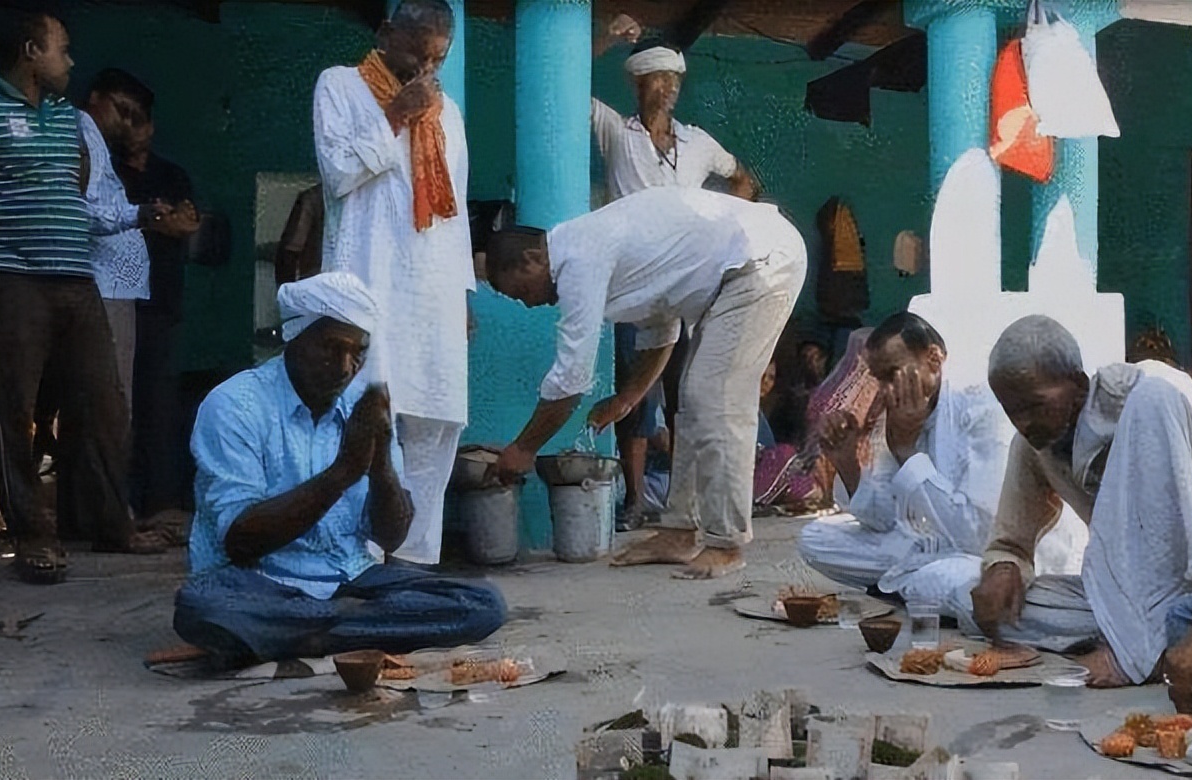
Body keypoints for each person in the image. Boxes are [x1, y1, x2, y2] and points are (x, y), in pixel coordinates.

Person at [0, 12, 165, 583]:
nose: (71, 61)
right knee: (11, 410)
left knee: (105, 405)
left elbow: (72, 187)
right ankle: (32, 535)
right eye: (62, 49)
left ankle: (113, 525)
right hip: (9, 280)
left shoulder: (64, 116)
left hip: (75, 280)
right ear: (31, 51)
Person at [173, 273, 506, 665]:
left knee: (482, 603)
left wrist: (380, 462)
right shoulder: (234, 406)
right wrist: (344, 472)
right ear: (294, 338)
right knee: (203, 606)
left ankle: (306, 634)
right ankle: (351, 628)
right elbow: (240, 542)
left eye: (357, 353)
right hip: (259, 582)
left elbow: (391, 537)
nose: (345, 367)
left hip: (349, 580)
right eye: (331, 348)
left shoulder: (361, 403)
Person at [483, 187, 807, 579]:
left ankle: (726, 544)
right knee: (693, 400)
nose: (529, 303)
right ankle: (679, 532)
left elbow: (571, 378)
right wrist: (628, 398)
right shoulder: (592, 250)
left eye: (521, 291)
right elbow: (662, 332)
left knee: (715, 397)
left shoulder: (579, 260)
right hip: (740, 268)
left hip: (762, 260)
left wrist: (523, 449)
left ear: (533, 258)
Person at [961, 315, 1192, 700]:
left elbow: (1171, 548)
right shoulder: (1035, 443)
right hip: (1136, 603)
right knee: (987, 606)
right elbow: (1011, 541)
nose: (1025, 423)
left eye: (1034, 405)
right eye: (1012, 410)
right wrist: (1003, 568)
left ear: (1079, 385)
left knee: (1153, 397)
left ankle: (1139, 654)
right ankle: (1148, 641)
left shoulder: (1151, 393)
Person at [314, 0, 471, 567]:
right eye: (416, 53)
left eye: (437, 59)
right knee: (367, 413)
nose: (425, 69)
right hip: (368, 278)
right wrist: (396, 116)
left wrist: (464, 294)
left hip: (433, 289)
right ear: (385, 34)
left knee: (435, 418)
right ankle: (360, 557)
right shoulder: (340, 86)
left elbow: (456, 210)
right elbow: (338, 173)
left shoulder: (448, 112)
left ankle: (415, 559)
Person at [592, 16, 759, 525]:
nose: (667, 88)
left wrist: (731, 226)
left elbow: (742, 177)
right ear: (637, 84)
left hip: (690, 288)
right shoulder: (617, 132)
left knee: (688, 395)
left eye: (673, 79)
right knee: (633, 394)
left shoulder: (697, 142)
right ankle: (636, 499)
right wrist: (606, 38)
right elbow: (566, 82)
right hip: (633, 286)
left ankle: (684, 504)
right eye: (657, 79)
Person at [798, 312, 1011, 610]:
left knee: (940, 578)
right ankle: (908, 582)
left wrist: (907, 452)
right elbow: (886, 520)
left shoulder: (983, 411)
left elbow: (977, 537)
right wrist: (847, 464)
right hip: (925, 549)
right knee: (815, 538)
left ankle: (908, 583)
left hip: (976, 557)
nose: (885, 390)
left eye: (892, 374)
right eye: (879, 379)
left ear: (934, 360)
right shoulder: (898, 412)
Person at [100, 69, 202, 520]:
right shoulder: (105, 170)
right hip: (113, 299)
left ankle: (160, 504)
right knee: (114, 406)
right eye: (124, 118)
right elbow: (112, 222)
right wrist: (153, 221)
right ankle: (114, 507)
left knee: (159, 407)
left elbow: (188, 223)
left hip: (162, 301)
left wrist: (145, 222)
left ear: (151, 126)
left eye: (138, 120)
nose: (132, 129)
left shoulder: (170, 174)